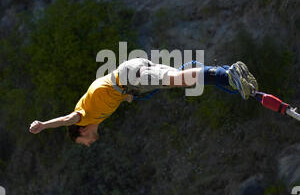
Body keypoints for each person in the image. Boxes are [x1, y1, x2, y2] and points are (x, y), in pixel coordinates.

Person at [29, 58, 258, 146]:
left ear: (81, 130)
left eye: (84, 140)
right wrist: (127, 95)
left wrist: (43, 125)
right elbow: (110, 92)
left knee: (178, 80)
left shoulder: (82, 115)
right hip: (130, 75)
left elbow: (67, 119)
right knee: (179, 80)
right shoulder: (98, 114)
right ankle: (230, 76)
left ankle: (227, 75)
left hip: (130, 76)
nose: (89, 142)